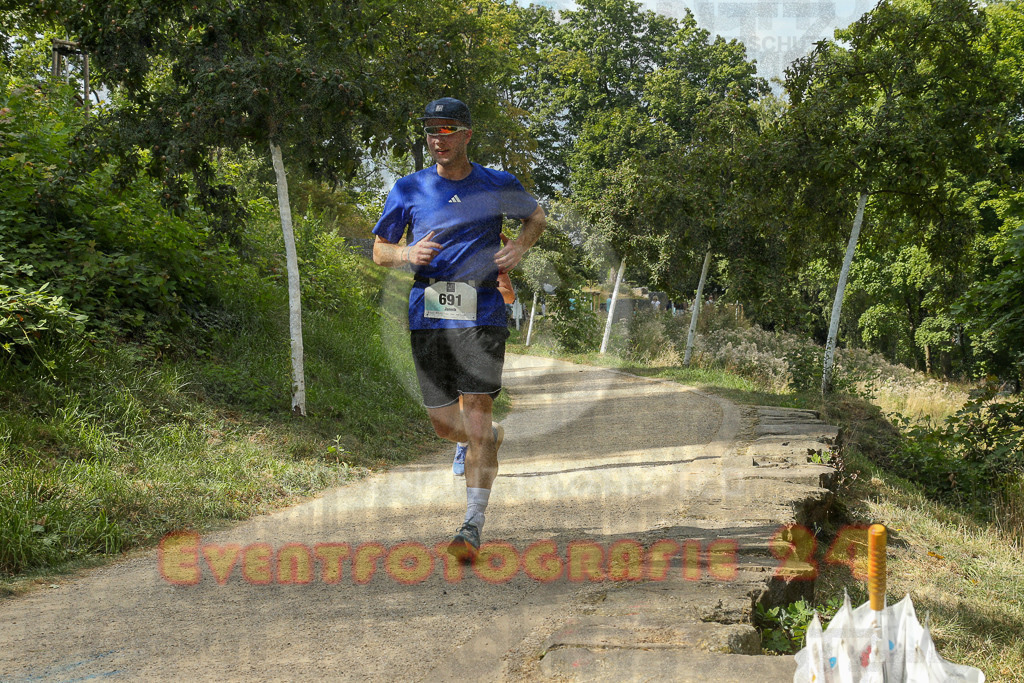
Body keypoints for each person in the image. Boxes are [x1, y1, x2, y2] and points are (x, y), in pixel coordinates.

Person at [371, 97, 545, 563]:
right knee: (446, 424)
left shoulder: (497, 183)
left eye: (447, 130)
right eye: (431, 130)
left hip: (483, 305)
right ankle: (484, 437)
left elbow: (535, 216)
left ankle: (471, 527)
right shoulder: (409, 188)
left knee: (477, 412)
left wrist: (519, 250)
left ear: (467, 134)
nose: (438, 139)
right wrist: (407, 255)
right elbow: (379, 250)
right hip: (429, 306)